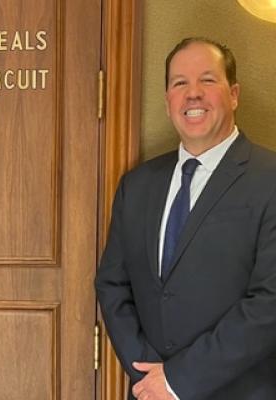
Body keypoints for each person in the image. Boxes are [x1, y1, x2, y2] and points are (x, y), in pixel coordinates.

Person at [96, 37, 276, 399]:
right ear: (167, 102)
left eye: (208, 80)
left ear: (234, 93)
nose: (193, 94)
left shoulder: (269, 178)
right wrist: (149, 376)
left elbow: (269, 301)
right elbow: (112, 284)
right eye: (180, 83)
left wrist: (178, 380)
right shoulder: (137, 185)